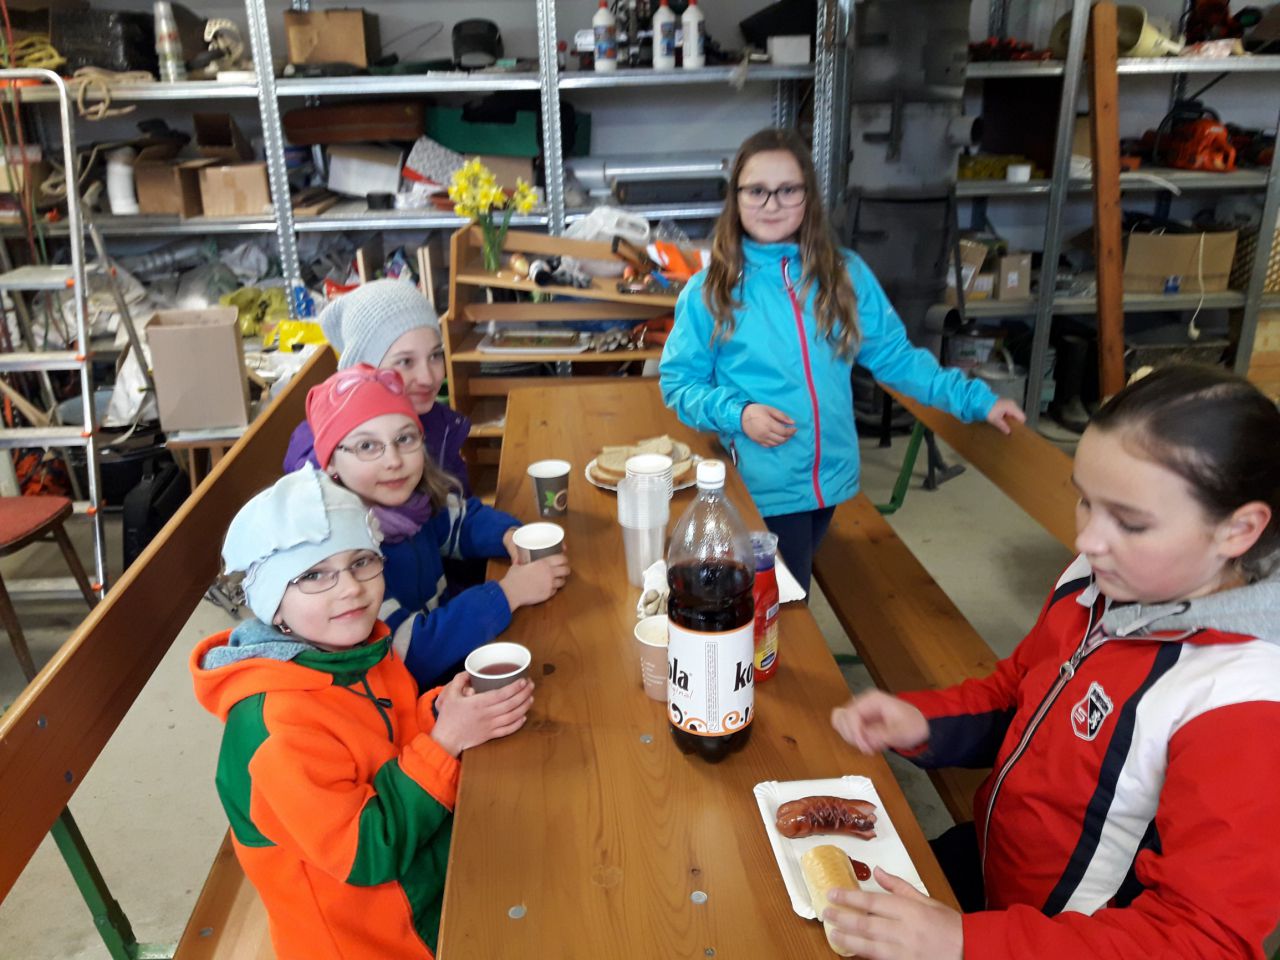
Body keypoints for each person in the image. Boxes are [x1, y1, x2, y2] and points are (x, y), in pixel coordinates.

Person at [826, 364, 1280, 959]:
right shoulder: (1102, 578)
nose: (1088, 539)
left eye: (1130, 522)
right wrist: (926, 722)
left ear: (1239, 530)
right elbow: (1022, 686)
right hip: (992, 867)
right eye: (1086, 501)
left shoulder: (1244, 702)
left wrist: (965, 942)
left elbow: (1200, 940)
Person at [191, 467, 534, 960]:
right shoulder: (275, 728)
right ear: (273, 605)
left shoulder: (355, 649)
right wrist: (443, 743)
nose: (350, 588)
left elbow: (391, 734)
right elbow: (366, 851)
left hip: (425, 869)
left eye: (360, 562)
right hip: (372, 937)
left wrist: (441, 710)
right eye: (313, 575)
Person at [659, 128, 1024, 591]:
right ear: (736, 198)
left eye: (788, 190)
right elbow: (679, 384)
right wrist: (739, 414)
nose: (772, 204)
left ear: (809, 196)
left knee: (787, 593)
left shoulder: (844, 275)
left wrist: (977, 400)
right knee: (783, 604)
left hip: (829, 479)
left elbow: (896, 358)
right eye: (756, 190)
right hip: (763, 484)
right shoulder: (711, 290)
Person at [307, 364, 569, 690]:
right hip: (413, 697)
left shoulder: (413, 504)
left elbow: (463, 522)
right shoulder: (346, 559)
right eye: (366, 446)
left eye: (404, 438)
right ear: (331, 461)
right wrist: (508, 593)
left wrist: (508, 535)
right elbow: (409, 652)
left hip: (452, 664)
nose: (394, 460)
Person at [284, 278, 472, 495]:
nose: (428, 378)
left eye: (435, 356)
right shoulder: (324, 467)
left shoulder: (438, 423)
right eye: (405, 361)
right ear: (362, 370)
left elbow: (461, 505)